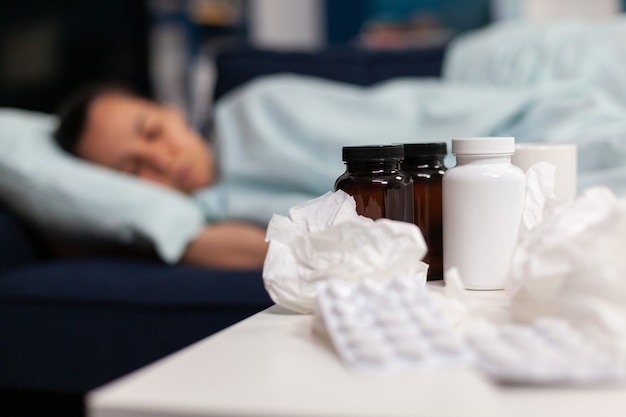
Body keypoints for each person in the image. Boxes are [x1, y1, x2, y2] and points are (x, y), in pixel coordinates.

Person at [54, 84, 269, 269]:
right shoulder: (203, 220)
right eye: (132, 170)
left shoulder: (259, 109)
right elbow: (283, 255)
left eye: (152, 132)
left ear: (170, 109)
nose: (161, 161)